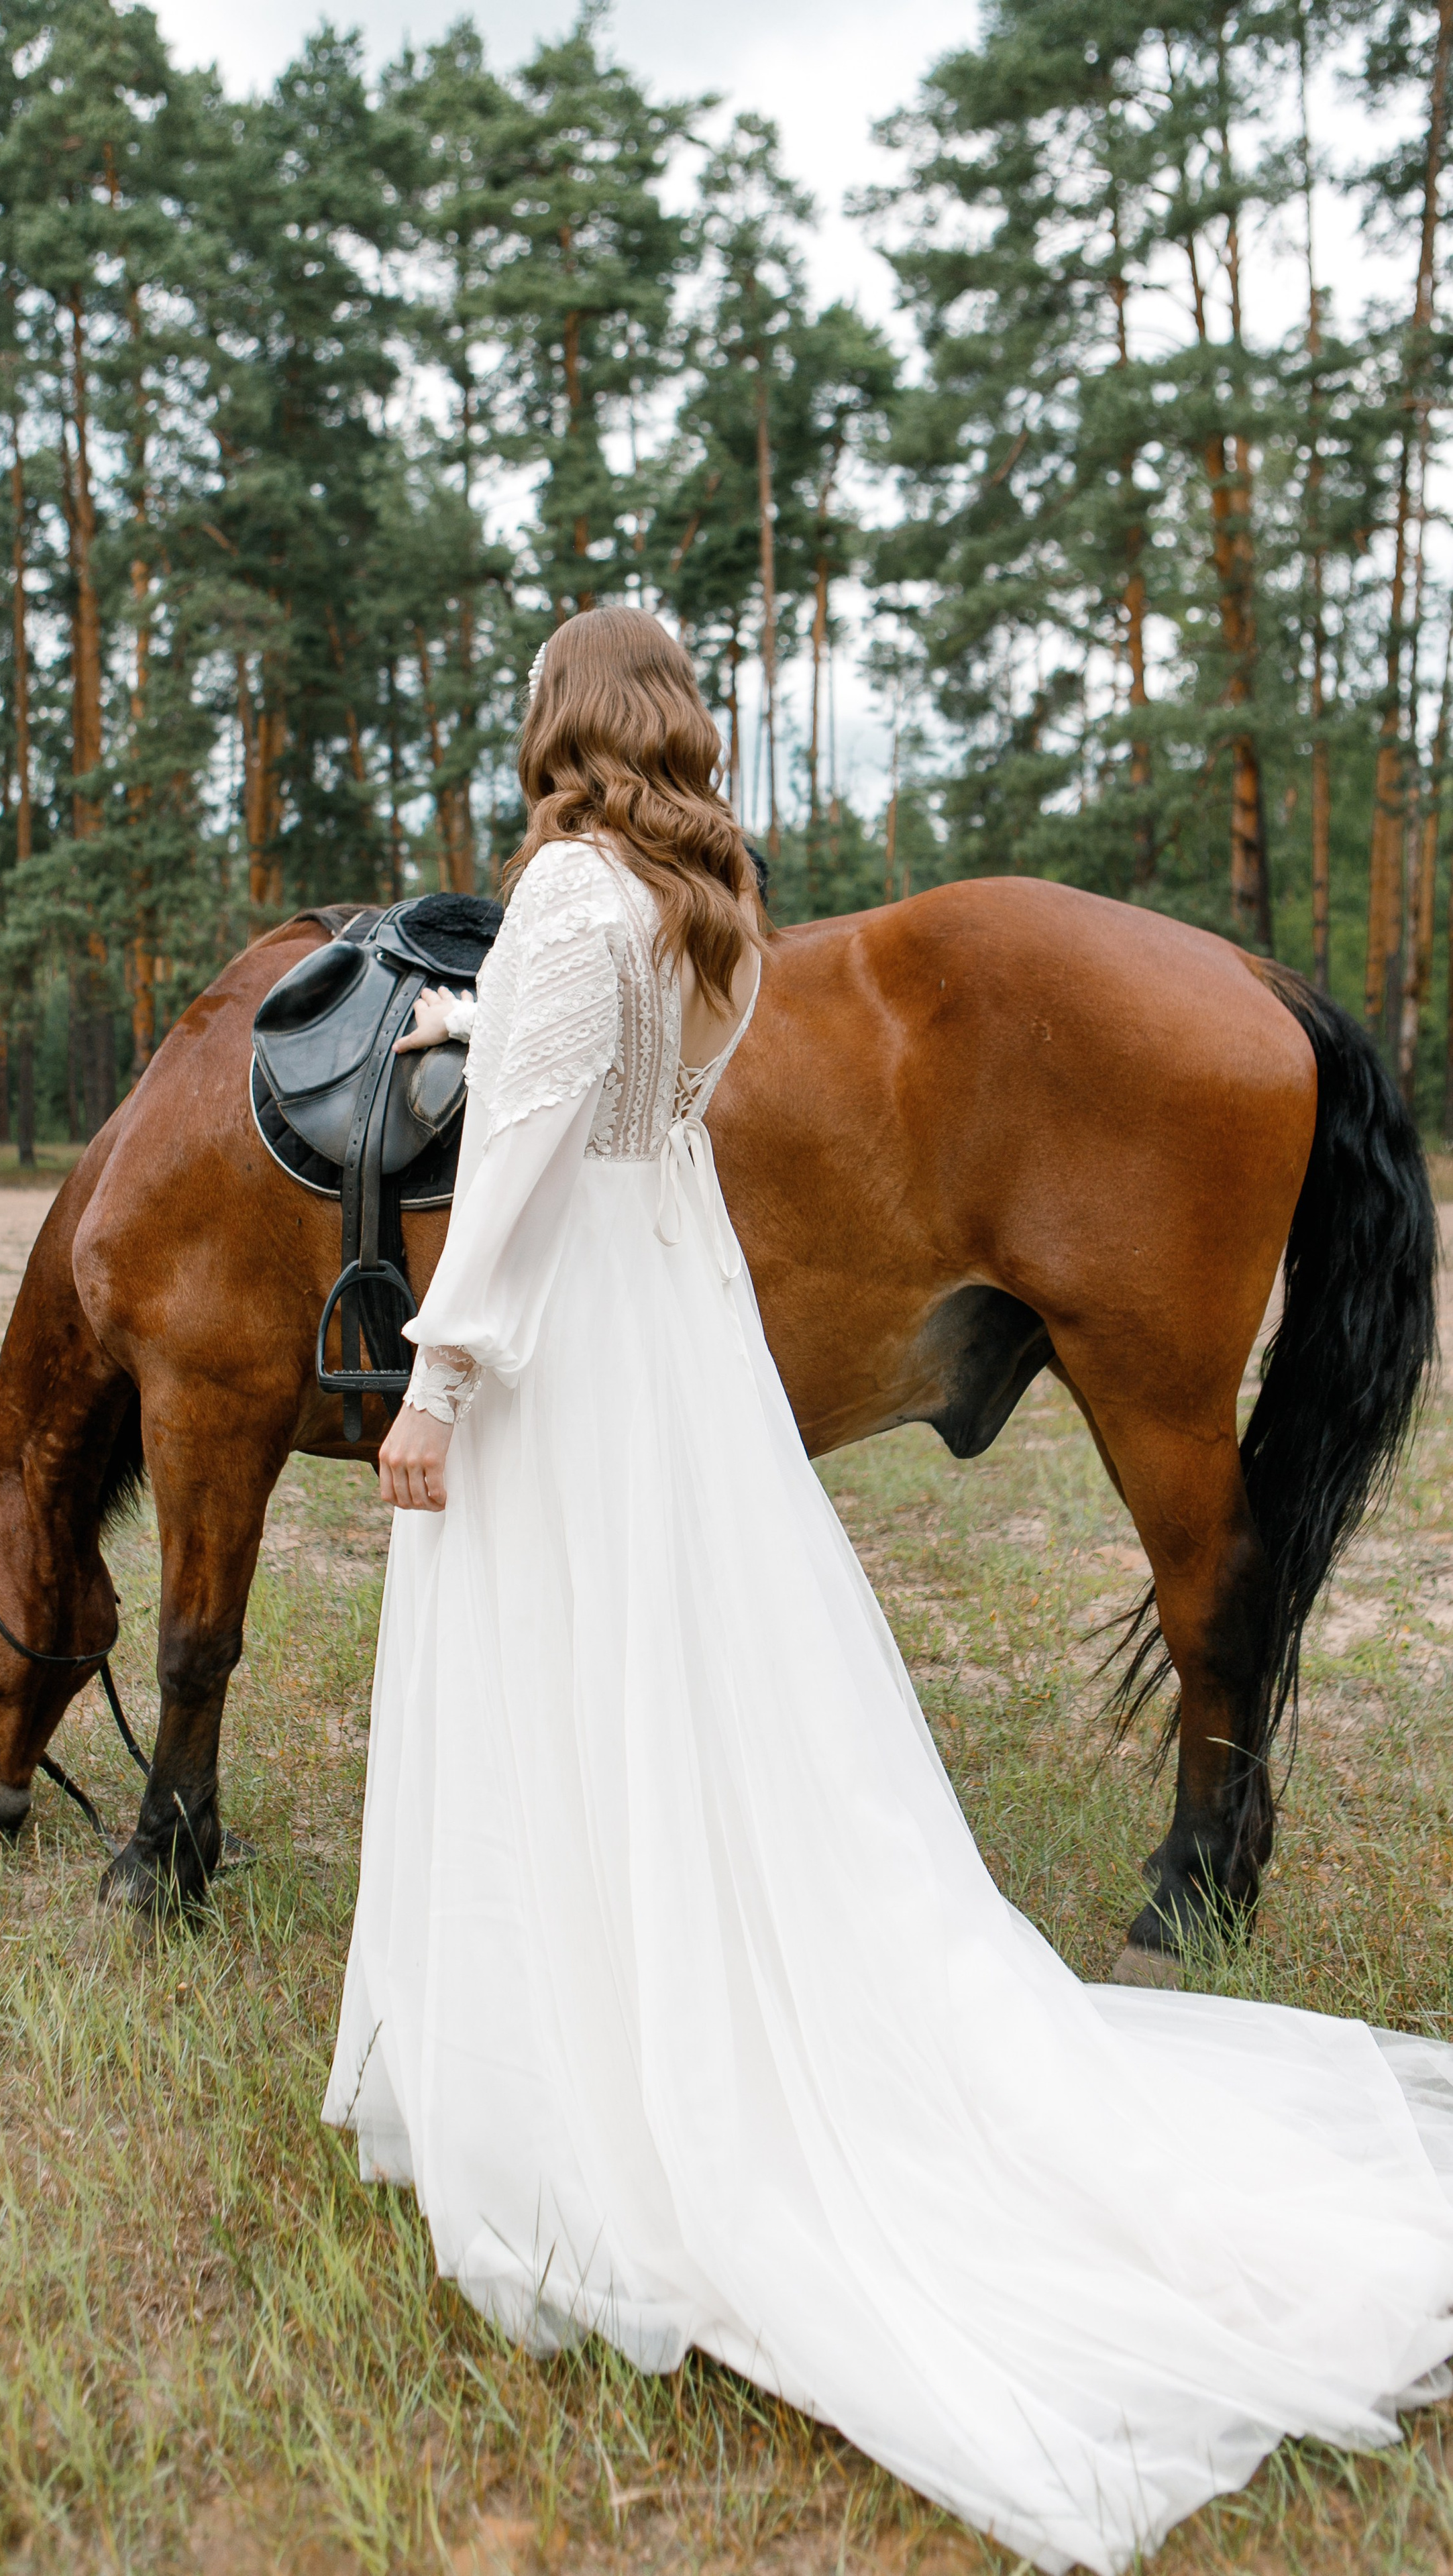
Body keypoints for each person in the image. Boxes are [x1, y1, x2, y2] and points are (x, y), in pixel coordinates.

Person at [324, 605, 1453, 2576]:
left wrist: (440, 1373)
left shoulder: (570, 890)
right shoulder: (696, 899)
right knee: (687, 1672)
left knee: (566, 1668)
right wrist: (476, 1020)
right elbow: (593, 1078)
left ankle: (598, 2058)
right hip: (681, 1336)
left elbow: (517, 1168)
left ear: (557, 728)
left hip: (586, 1337)